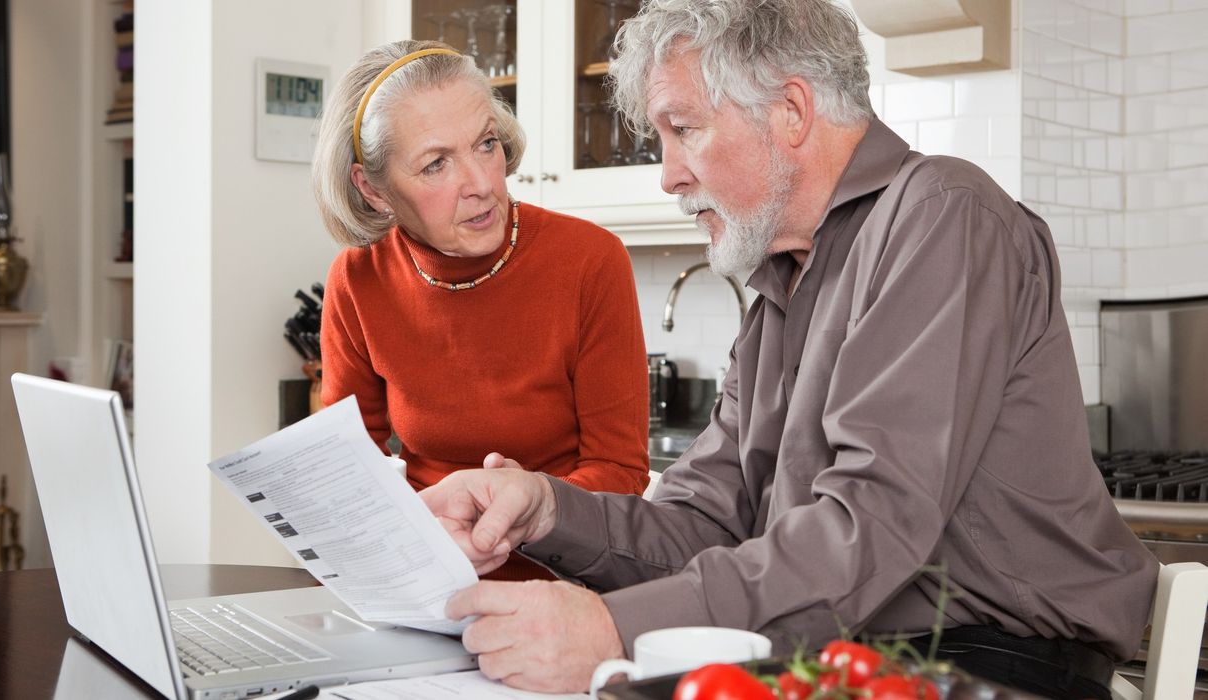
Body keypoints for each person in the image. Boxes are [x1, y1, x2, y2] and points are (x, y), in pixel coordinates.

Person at [420, 1, 1160, 696]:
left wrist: (613, 629)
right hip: (841, 650)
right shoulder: (781, 284)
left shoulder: (944, 215)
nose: (669, 175)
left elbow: (871, 525)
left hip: (995, 661)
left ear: (791, 111)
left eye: (684, 129)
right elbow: (705, 525)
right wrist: (547, 510)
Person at [311, 40, 650, 582]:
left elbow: (621, 472)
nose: (482, 185)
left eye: (486, 144)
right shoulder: (358, 279)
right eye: (436, 164)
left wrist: (528, 504)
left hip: (568, 580)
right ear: (373, 189)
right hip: (426, 576)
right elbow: (352, 472)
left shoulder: (590, 261)